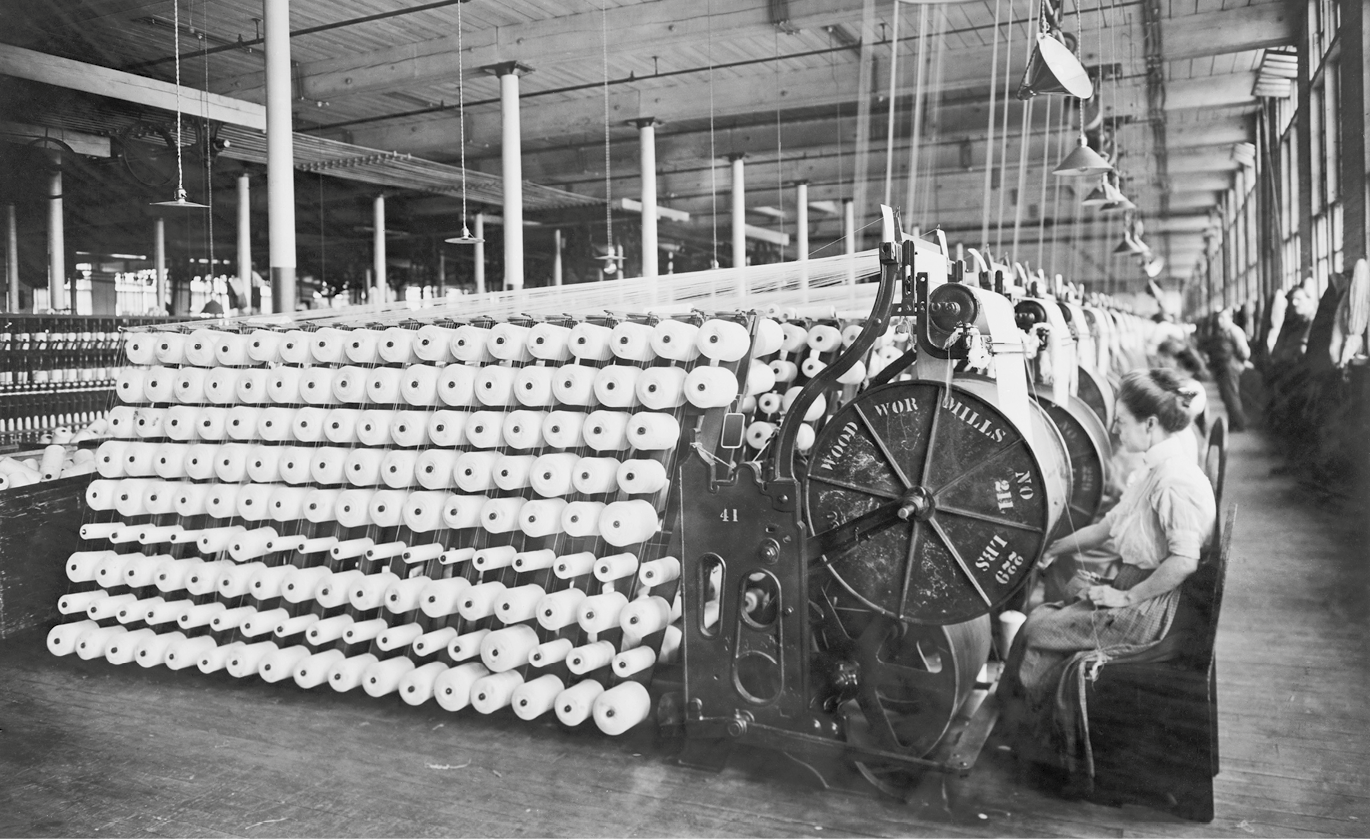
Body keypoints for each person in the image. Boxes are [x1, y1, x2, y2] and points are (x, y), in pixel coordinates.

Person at [999, 368, 1217, 789]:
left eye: (1121, 420)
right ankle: (1029, 737)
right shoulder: (1154, 471)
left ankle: (1044, 750)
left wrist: (1126, 597)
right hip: (1144, 588)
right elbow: (1104, 528)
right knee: (1052, 608)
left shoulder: (1173, 481)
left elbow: (1184, 561)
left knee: (1039, 625)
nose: (1114, 428)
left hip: (1154, 607)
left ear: (1150, 424)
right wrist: (1051, 546)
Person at [1206, 308, 1251, 431]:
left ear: (1230, 318)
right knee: (1226, 396)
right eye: (1218, 318)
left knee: (1231, 396)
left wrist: (1238, 363)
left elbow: (1245, 352)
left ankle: (1240, 424)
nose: (1220, 321)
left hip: (1231, 368)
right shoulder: (1221, 332)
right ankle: (1234, 422)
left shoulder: (1235, 331)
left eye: (1223, 318)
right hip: (1223, 368)